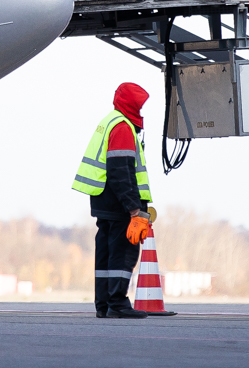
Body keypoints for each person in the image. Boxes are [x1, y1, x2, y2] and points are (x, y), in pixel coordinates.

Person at [72, 82, 153, 319]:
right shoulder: (123, 128)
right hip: (119, 204)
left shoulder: (110, 122)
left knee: (106, 254)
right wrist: (134, 209)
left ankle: (104, 305)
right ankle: (117, 303)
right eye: (140, 106)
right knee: (123, 253)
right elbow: (120, 170)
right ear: (132, 105)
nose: (141, 110)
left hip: (103, 200)